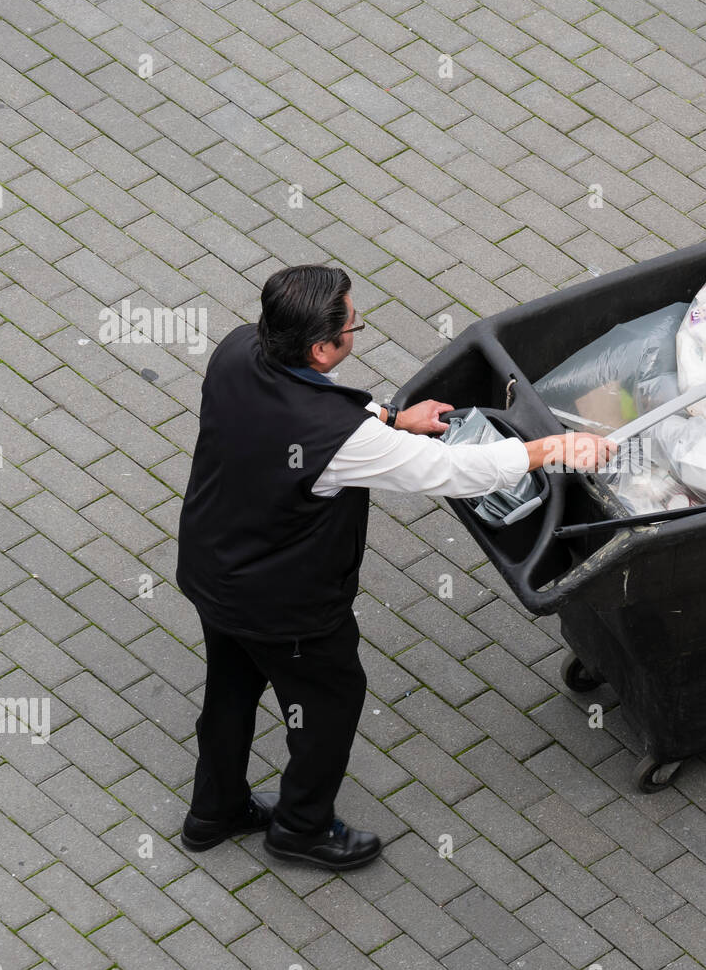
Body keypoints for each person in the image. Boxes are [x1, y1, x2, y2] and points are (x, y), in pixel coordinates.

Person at [176, 265, 617, 869]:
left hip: (213, 568)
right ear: (321, 348)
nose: (357, 330)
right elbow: (453, 472)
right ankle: (302, 828)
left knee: (231, 685)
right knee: (332, 698)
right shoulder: (337, 437)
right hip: (286, 604)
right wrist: (554, 448)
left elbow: (316, 422)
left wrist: (387, 416)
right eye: (354, 323)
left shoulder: (235, 351)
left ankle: (213, 811)